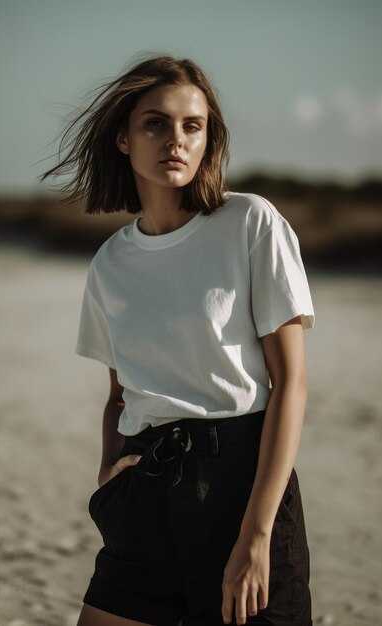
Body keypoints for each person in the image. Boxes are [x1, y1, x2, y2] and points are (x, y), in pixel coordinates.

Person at [39, 55, 315, 626]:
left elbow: (291, 383)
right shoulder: (111, 263)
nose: (176, 140)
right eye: (155, 123)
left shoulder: (250, 223)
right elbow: (119, 395)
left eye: (193, 125)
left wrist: (258, 535)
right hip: (146, 485)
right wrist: (109, 480)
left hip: (243, 481)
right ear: (123, 138)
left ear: (209, 137)